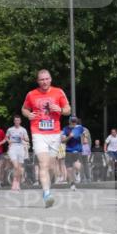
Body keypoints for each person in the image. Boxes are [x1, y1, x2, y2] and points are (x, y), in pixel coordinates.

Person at [20, 70, 71, 207]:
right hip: (38, 133)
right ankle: (47, 193)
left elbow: (68, 109)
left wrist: (59, 109)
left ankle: (48, 186)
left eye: (47, 79)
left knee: (51, 167)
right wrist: (28, 115)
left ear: (50, 79)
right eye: (41, 79)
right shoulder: (31, 94)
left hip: (54, 133)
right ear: (38, 81)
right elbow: (24, 109)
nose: (44, 81)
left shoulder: (58, 92)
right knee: (43, 163)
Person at [60, 117, 87, 191]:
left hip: (77, 150)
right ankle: (72, 184)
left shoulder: (79, 127)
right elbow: (62, 141)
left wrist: (85, 139)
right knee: (69, 169)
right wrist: (70, 136)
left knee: (77, 166)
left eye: (75, 121)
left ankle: (77, 173)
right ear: (69, 122)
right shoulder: (65, 129)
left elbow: (84, 134)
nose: (74, 123)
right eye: (73, 121)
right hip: (68, 150)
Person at [6, 115, 30, 191]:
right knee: (15, 166)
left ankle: (17, 183)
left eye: (18, 120)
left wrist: (23, 138)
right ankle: (14, 182)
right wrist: (8, 141)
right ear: (14, 121)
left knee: (19, 168)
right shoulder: (10, 129)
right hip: (13, 148)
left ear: (20, 121)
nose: (17, 122)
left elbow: (27, 139)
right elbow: (6, 137)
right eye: (15, 120)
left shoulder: (23, 130)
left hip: (21, 148)